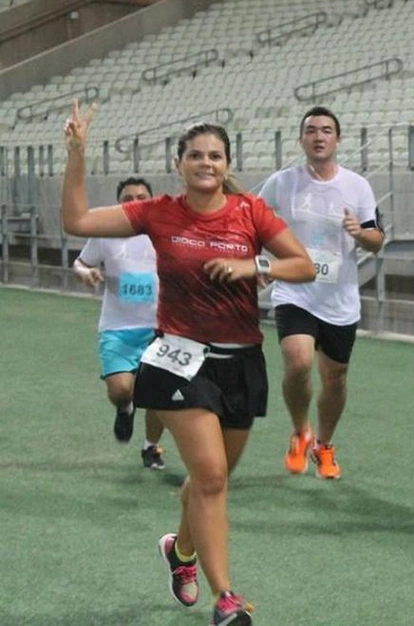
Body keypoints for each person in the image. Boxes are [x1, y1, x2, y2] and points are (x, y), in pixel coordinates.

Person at [61, 100, 315, 625]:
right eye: (196, 155)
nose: (206, 163)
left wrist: (253, 264)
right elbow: (76, 219)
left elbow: (305, 266)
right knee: (213, 477)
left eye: (216, 156)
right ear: (179, 164)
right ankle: (226, 599)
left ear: (226, 164)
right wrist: (78, 155)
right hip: (178, 360)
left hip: (241, 361)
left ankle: (180, 552)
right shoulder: (158, 212)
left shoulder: (250, 212)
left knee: (209, 482)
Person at [259, 106, 384, 480]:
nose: (318, 136)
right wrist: (259, 262)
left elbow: (377, 239)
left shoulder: (357, 186)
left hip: (340, 298)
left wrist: (360, 233)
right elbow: (251, 224)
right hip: (294, 291)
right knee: (298, 364)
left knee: (336, 379)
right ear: (301, 139)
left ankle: (324, 444)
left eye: (326, 130)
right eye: (311, 130)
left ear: (337, 139)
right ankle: (300, 430)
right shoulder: (282, 182)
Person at [73, 177, 167, 469]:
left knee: (158, 394)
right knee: (120, 389)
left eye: (142, 196)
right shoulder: (105, 233)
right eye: (128, 197)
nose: (135, 201)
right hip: (117, 328)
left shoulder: (165, 232)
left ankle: (151, 447)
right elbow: (81, 262)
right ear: (120, 204)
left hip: (160, 327)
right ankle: (125, 408)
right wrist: (84, 273)